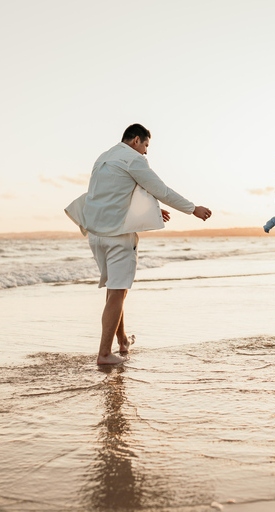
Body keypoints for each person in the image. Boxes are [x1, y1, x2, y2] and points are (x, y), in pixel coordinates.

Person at [69, 124, 212, 365]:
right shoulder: (134, 159)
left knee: (115, 289)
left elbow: (116, 193)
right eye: (146, 146)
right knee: (118, 291)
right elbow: (161, 189)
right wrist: (193, 209)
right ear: (136, 140)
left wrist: (154, 209)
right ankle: (104, 354)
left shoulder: (103, 157)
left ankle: (122, 341)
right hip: (118, 234)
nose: (146, 152)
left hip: (95, 233)